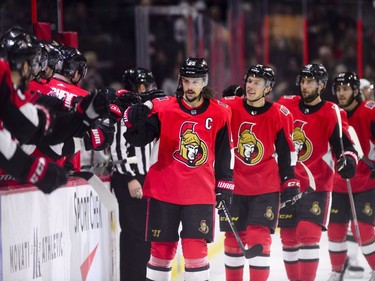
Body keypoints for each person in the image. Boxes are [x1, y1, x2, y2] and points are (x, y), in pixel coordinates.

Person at [123, 57, 233, 281]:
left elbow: (224, 156)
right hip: (164, 192)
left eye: (194, 82)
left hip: (199, 194)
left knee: (195, 253)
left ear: (204, 82)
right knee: (161, 253)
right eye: (185, 81)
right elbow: (136, 139)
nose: (189, 87)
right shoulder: (164, 109)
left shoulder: (220, 113)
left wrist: (225, 188)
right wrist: (133, 119)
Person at [277, 63, 358, 281]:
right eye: (303, 81)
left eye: (310, 82)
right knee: (288, 238)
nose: (305, 86)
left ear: (321, 85)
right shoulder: (286, 106)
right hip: (288, 184)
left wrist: (348, 161)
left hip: (317, 185)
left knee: (307, 234)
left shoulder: (331, 112)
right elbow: (263, 118)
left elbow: (346, 147)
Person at [219, 64, 299, 281]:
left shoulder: (280, 114)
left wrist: (289, 180)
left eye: (257, 82)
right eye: (249, 80)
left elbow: (286, 153)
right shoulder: (229, 107)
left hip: (266, 188)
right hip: (234, 186)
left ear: (268, 88)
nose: (251, 85)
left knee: (259, 238)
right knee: (233, 241)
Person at [110, 67, 158, 281]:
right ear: (140, 87)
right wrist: (130, 178)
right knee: (135, 234)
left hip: (144, 178)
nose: (150, 89)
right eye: (147, 85)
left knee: (143, 234)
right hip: (130, 178)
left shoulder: (144, 108)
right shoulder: (125, 108)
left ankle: (141, 276)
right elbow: (117, 147)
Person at [328, 71, 375, 281]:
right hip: (340, 183)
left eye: (345, 89)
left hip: (367, 182)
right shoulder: (333, 113)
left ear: (355, 91)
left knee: (363, 230)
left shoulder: (370, 111)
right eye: (338, 89)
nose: (341, 93)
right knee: (335, 232)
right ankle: (337, 272)